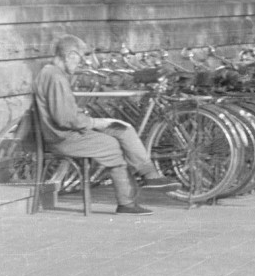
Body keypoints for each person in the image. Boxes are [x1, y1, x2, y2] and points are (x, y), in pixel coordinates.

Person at [33, 35, 181, 215]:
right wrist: (95, 122)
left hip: (65, 132)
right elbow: (64, 118)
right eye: (80, 58)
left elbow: (64, 114)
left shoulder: (48, 72)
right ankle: (127, 202)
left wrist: (93, 121)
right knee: (112, 146)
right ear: (70, 55)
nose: (81, 63)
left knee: (123, 128)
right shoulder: (56, 78)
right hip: (63, 137)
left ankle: (150, 176)